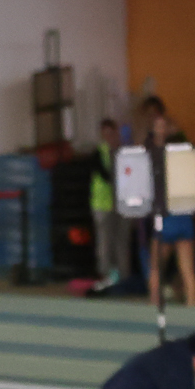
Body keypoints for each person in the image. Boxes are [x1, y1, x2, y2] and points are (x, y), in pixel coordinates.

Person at [147, 114, 195, 313]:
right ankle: (192, 307)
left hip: (167, 218)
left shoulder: (159, 160)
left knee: (156, 268)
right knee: (188, 271)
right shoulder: (188, 159)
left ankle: (154, 308)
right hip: (184, 218)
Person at [89, 115, 124, 287]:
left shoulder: (122, 152)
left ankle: (121, 276)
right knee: (104, 242)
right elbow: (106, 175)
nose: (109, 137)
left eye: (112, 133)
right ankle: (105, 274)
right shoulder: (99, 153)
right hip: (102, 205)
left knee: (120, 242)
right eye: (106, 134)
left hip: (120, 205)